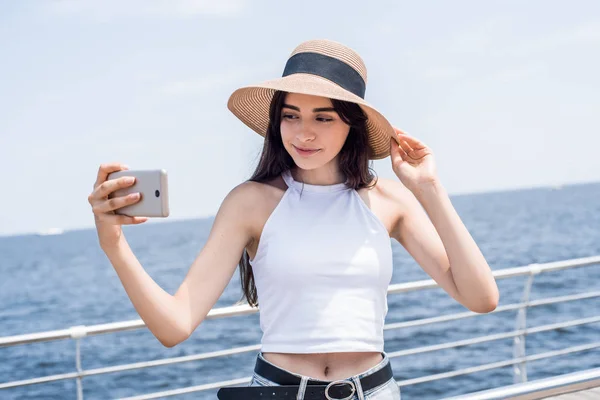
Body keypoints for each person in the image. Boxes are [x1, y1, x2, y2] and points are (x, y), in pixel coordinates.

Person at [88, 39, 499, 400]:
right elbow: (174, 326)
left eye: (323, 118)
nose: (303, 133)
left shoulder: (389, 200)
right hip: (279, 391)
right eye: (290, 115)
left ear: (351, 125)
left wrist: (428, 189)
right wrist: (114, 245)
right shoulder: (250, 202)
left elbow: (481, 298)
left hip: (374, 391)